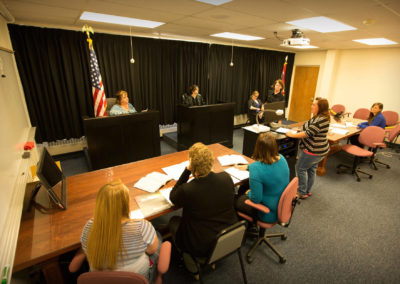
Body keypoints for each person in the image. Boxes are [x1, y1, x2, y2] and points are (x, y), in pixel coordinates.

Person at [80, 180, 161, 282]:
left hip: (101, 280)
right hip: (136, 278)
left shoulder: (89, 226)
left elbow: (86, 249)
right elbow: (151, 250)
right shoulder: (142, 226)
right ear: (125, 204)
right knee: (157, 237)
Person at [168, 143, 237, 259]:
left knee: (173, 221)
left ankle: (191, 260)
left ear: (192, 165)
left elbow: (173, 196)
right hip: (227, 234)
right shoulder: (226, 177)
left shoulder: (188, 189)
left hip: (202, 245)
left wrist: (187, 170)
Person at [235, 132, 289, 223]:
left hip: (268, 212)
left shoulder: (257, 169)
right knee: (245, 187)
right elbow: (268, 170)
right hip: (282, 205)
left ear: (258, 148)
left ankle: (247, 228)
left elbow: (256, 199)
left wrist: (249, 193)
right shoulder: (282, 159)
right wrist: (249, 167)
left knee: (236, 200)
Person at [286, 98, 330, 199]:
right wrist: (298, 129)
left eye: (314, 105)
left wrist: (291, 134)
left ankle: (301, 192)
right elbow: (309, 128)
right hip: (320, 150)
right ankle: (307, 190)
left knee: (300, 168)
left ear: (320, 108)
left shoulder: (321, 120)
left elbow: (307, 134)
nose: (312, 106)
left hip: (313, 150)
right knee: (311, 170)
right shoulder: (319, 117)